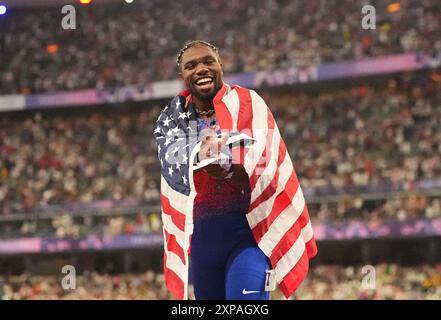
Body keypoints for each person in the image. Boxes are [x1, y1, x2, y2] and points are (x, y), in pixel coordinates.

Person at [155, 40, 317, 300]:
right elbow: (171, 163)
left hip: (250, 237)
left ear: (221, 65)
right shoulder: (172, 120)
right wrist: (201, 153)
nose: (201, 69)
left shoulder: (249, 103)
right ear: (182, 75)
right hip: (202, 246)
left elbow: (265, 162)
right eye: (191, 65)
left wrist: (229, 164)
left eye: (208, 61)